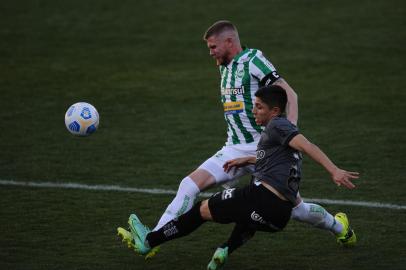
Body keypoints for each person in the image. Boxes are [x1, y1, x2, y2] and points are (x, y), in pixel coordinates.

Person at [147, 20, 351, 245]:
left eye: (214, 47)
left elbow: (290, 94)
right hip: (233, 148)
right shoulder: (224, 66)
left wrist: (288, 133)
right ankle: (151, 238)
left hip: (263, 150)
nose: (211, 53)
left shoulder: (253, 60)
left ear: (229, 41)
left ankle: (339, 227)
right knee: (189, 185)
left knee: (297, 211)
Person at [117, 85, 359, 269]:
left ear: (275, 111)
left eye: (259, 107)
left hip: (261, 198)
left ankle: (149, 242)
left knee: (200, 211)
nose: (254, 111)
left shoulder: (278, 126)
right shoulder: (279, 141)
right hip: (280, 216)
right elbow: (280, 158)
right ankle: (224, 249)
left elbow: (307, 144)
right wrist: (251, 159)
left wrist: (333, 169)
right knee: (249, 220)